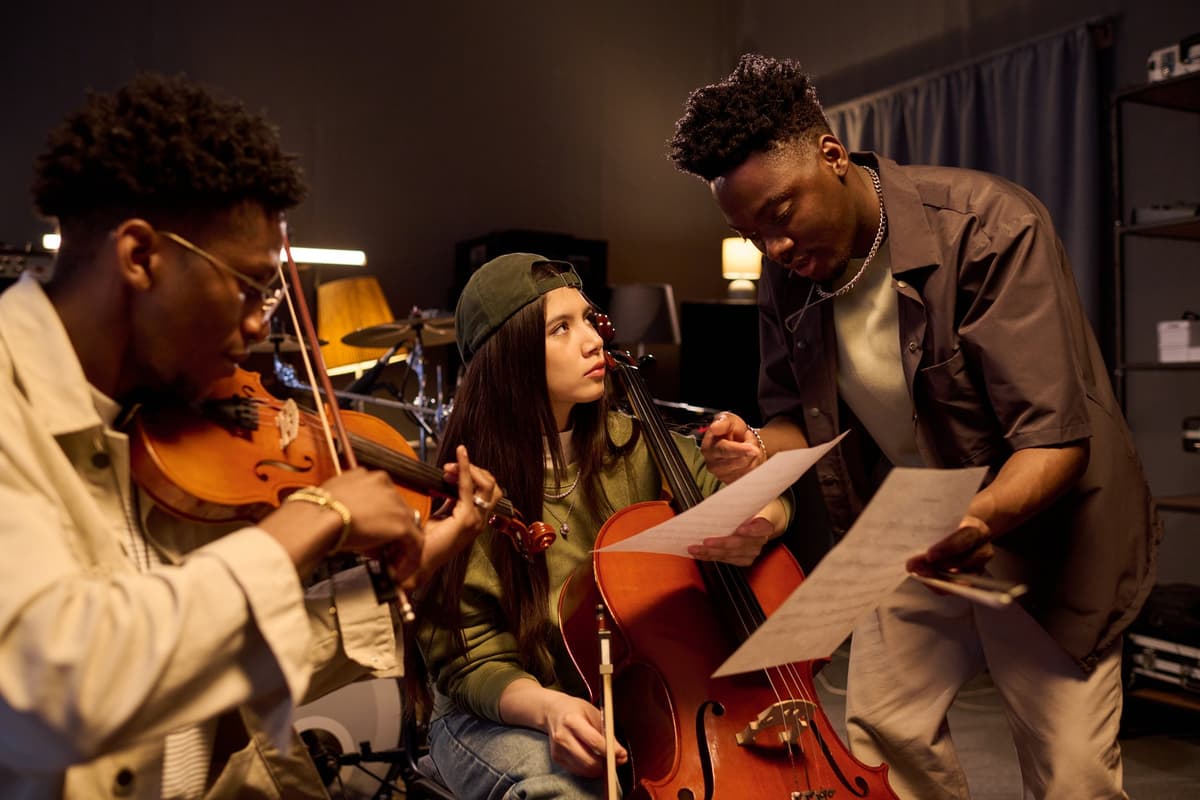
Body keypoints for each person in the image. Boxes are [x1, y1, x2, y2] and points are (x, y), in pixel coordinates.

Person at [668, 54, 1159, 800]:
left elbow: (1054, 441)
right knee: (883, 727)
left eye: (780, 215)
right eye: (749, 232)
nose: (774, 250)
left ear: (833, 157)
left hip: (1041, 529)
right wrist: (762, 452)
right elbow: (793, 418)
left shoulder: (990, 227)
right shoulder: (788, 272)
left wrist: (975, 518)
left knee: (1073, 777)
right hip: (909, 528)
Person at [0, 72, 500, 799]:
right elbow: (56, 690)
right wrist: (318, 516)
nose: (262, 325)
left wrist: (406, 571)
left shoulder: (158, 420)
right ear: (141, 257)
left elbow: (192, 657)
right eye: (247, 287)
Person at [415, 252, 791, 800]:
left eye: (589, 320)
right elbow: (470, 658)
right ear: (509, 355)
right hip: (500, 705)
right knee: (565, 791)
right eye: (560, 329)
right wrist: (550, 709)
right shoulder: (470, 486)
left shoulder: (632, 442)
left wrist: (759, 517)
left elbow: (760, 499)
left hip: (624, 694)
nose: (593, 340)